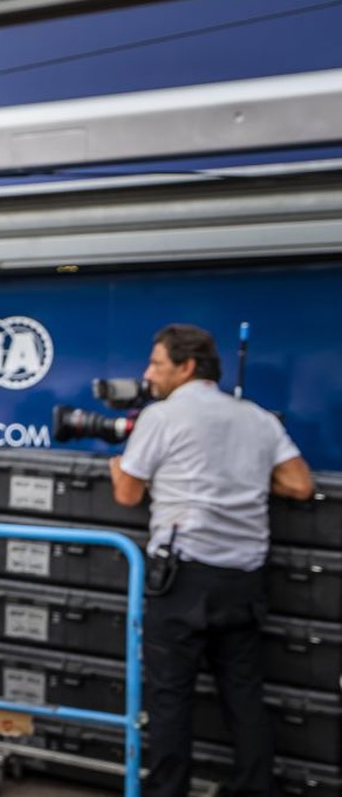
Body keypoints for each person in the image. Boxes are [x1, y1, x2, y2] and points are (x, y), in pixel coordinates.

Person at [108, 323, 313, 796]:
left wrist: (117, 465)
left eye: (157, 363)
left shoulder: (161, 416)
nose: (148, 373)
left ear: (186, 367)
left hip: (182, 579)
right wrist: (241, 478)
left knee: (170, 696)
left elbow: (127, 492)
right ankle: (255, 788)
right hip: (244, 579)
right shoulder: (257, 417)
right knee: (243, 692)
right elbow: (300, 485)